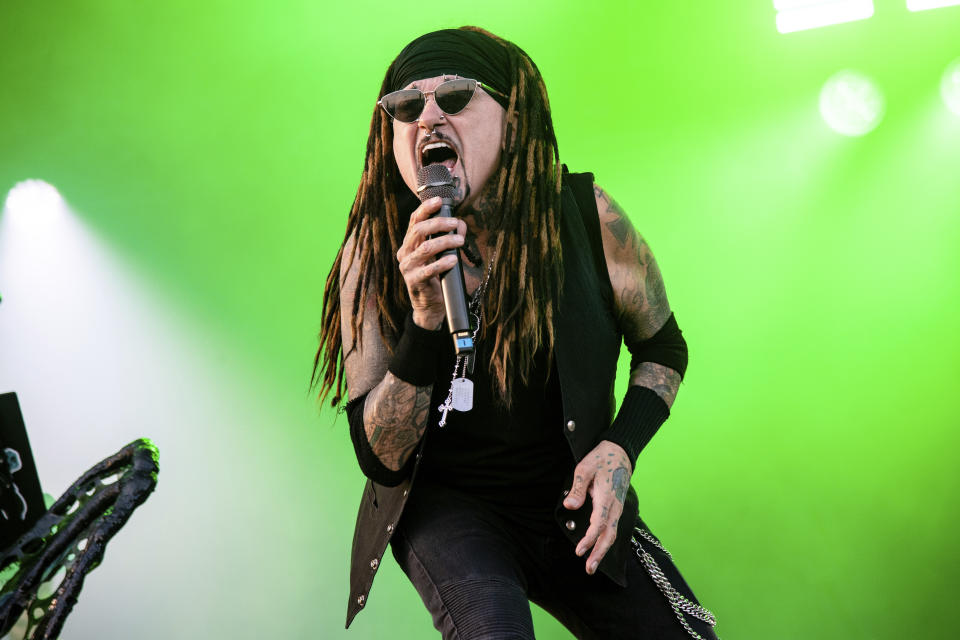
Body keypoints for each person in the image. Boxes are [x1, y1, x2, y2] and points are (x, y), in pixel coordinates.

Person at [313, 26, 719, 640]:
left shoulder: (586, 216)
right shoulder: (371, 257)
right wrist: (425, 324)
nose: (426, 119)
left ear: (513, 116)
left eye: (454, 98)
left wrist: (620, 449)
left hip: (570, 501)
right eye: (404, 107)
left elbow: (662, 347)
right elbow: (381, 457)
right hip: (453, 513)